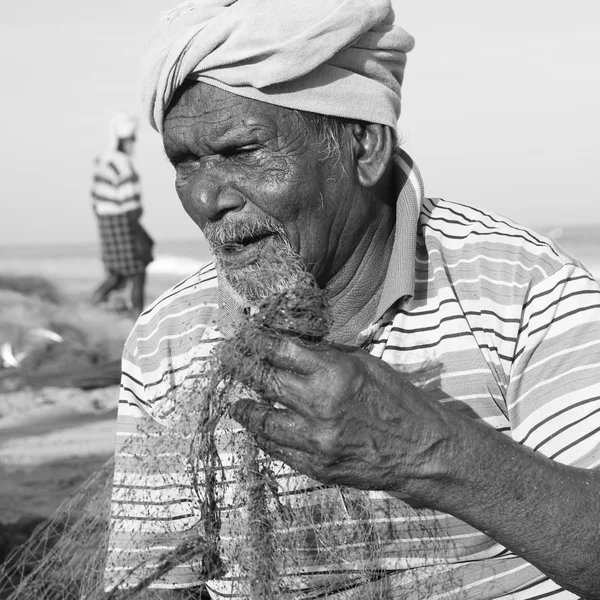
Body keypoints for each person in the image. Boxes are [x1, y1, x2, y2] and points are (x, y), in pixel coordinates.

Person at [104, 1, 600, 598]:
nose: (207, 199)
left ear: (363, 146)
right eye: (185, 163)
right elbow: (155, 581)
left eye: (241, 152)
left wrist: (426, 453)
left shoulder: (520, 288)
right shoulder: (170, 337)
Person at [91, 112, 154, 316]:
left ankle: (91, 308)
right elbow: (131, 205)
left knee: (115, 275)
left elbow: (95, 201)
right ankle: (138, 318)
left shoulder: (103, 161)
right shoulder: (123, 164)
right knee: (138, 271)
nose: (134, 142)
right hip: (124, 221)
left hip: (105, 222)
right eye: (132, 137)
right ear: (125, 138)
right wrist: (141, 235)